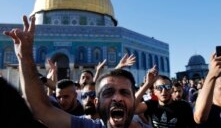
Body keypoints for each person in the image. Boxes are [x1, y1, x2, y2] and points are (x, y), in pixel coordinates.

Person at [3, 15, 144, 128]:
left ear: (135, 99)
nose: (117, 98)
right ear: (97, 102)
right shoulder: (85, 125)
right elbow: (41, 108)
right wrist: (25, 56)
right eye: (108, 92)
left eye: (125, 93)